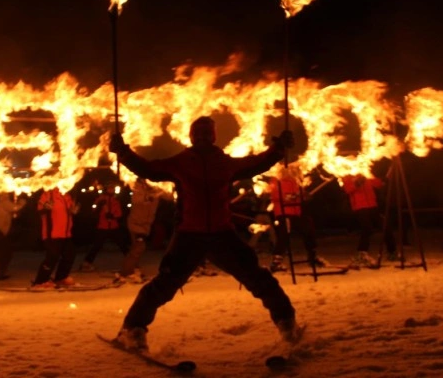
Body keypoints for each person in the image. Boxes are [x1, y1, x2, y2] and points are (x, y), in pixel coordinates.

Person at [108, 116, 302, 351]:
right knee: (164, 284)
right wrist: (124, 153)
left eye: (206, 134)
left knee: (258, 278)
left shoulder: (224, 162)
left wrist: (278, 149)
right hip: (189, 235)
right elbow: (150, 169)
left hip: (222, 234)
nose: (202, 138)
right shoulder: (181, 162)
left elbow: (256, 163)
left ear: (213, 136)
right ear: (191, 137)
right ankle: (133, 329)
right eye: (197, 134)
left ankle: (286, 322)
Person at [269, 167, 325, 272]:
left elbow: (300, 196)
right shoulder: (276, 181)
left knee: (309, 228)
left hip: (296, 213)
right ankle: (276, 262)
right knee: (284, 235)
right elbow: (275, 196)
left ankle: (312, 256)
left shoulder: (295, 182)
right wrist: (289, 197)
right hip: (283, 213)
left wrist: (304, 196)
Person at [115, 178, 167, 284]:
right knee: (139, 247)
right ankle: (126, 273)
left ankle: (134, 269)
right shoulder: (138, 190)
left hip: (145, 226)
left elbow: (166, 196)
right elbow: (137, 201)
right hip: (136, 224)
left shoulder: (155, 192)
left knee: (137, 248)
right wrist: (148, 197)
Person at [342, 173, 396, 267]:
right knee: (367, 229)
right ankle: (362, 254)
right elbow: (348, 190)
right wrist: (358, 183)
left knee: (385, 226)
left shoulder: (365, 172)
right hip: (360, 207)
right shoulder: (348, 175)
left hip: (373, 205)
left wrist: (385, 179)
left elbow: (377, 184)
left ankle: (392, 252)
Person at [31, 187, 79, 288]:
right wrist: (45, 207)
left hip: (65, 233)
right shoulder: (48, 194)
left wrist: (73, 211)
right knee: (52, 256)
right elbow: (39, 208)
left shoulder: (66, 196)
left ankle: (61, 278)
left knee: (70, 254)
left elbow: (70, 210)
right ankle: (40, 281)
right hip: (52, 233)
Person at [80, 183, 126, 272]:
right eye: (109, 188)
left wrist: (112, 216)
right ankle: (86, 263)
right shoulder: (100, 199)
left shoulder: (116, 200)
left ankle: (131, 263)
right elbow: (93, 209)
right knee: (97, 245)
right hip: (102, 226)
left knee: (122, 244)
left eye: (112, 188)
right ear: (106, 190)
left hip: (113, 226)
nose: (111, 190)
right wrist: (99, 206)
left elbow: (119, 213)